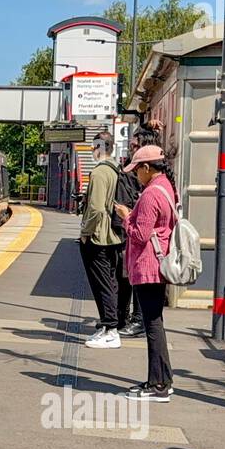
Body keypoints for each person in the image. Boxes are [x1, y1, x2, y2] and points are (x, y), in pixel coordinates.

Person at [114, 144, 178, 401]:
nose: (134, 176)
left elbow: (140, 234)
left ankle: (158, 386)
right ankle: (162, 379)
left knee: (152, 326)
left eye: (136, 170)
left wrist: (126, 216)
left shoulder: (151, 194)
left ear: (146, 168)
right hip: (158, 264)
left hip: (149, 266)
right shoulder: (166, 187)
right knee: (156, 324)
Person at [80, 137, 130, 349]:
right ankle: (108, 326)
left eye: (93, 146)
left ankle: (110, 329)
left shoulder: (100, 172)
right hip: (114, 235)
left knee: (102, 283)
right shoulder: (116, 169)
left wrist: (85, 232)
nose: (92, 150)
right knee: (110, 280)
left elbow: (97, 208)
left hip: (99, 237)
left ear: (100, 148)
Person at [115, 121, 163, 338]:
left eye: (135, 146)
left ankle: (136, 320)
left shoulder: (150, 182)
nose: (131, 148)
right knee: (125, 277)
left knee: (132, 279)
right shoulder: (135, 171)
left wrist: (126, 217)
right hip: (132, 232)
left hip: (139, 234)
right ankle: (124, 318)